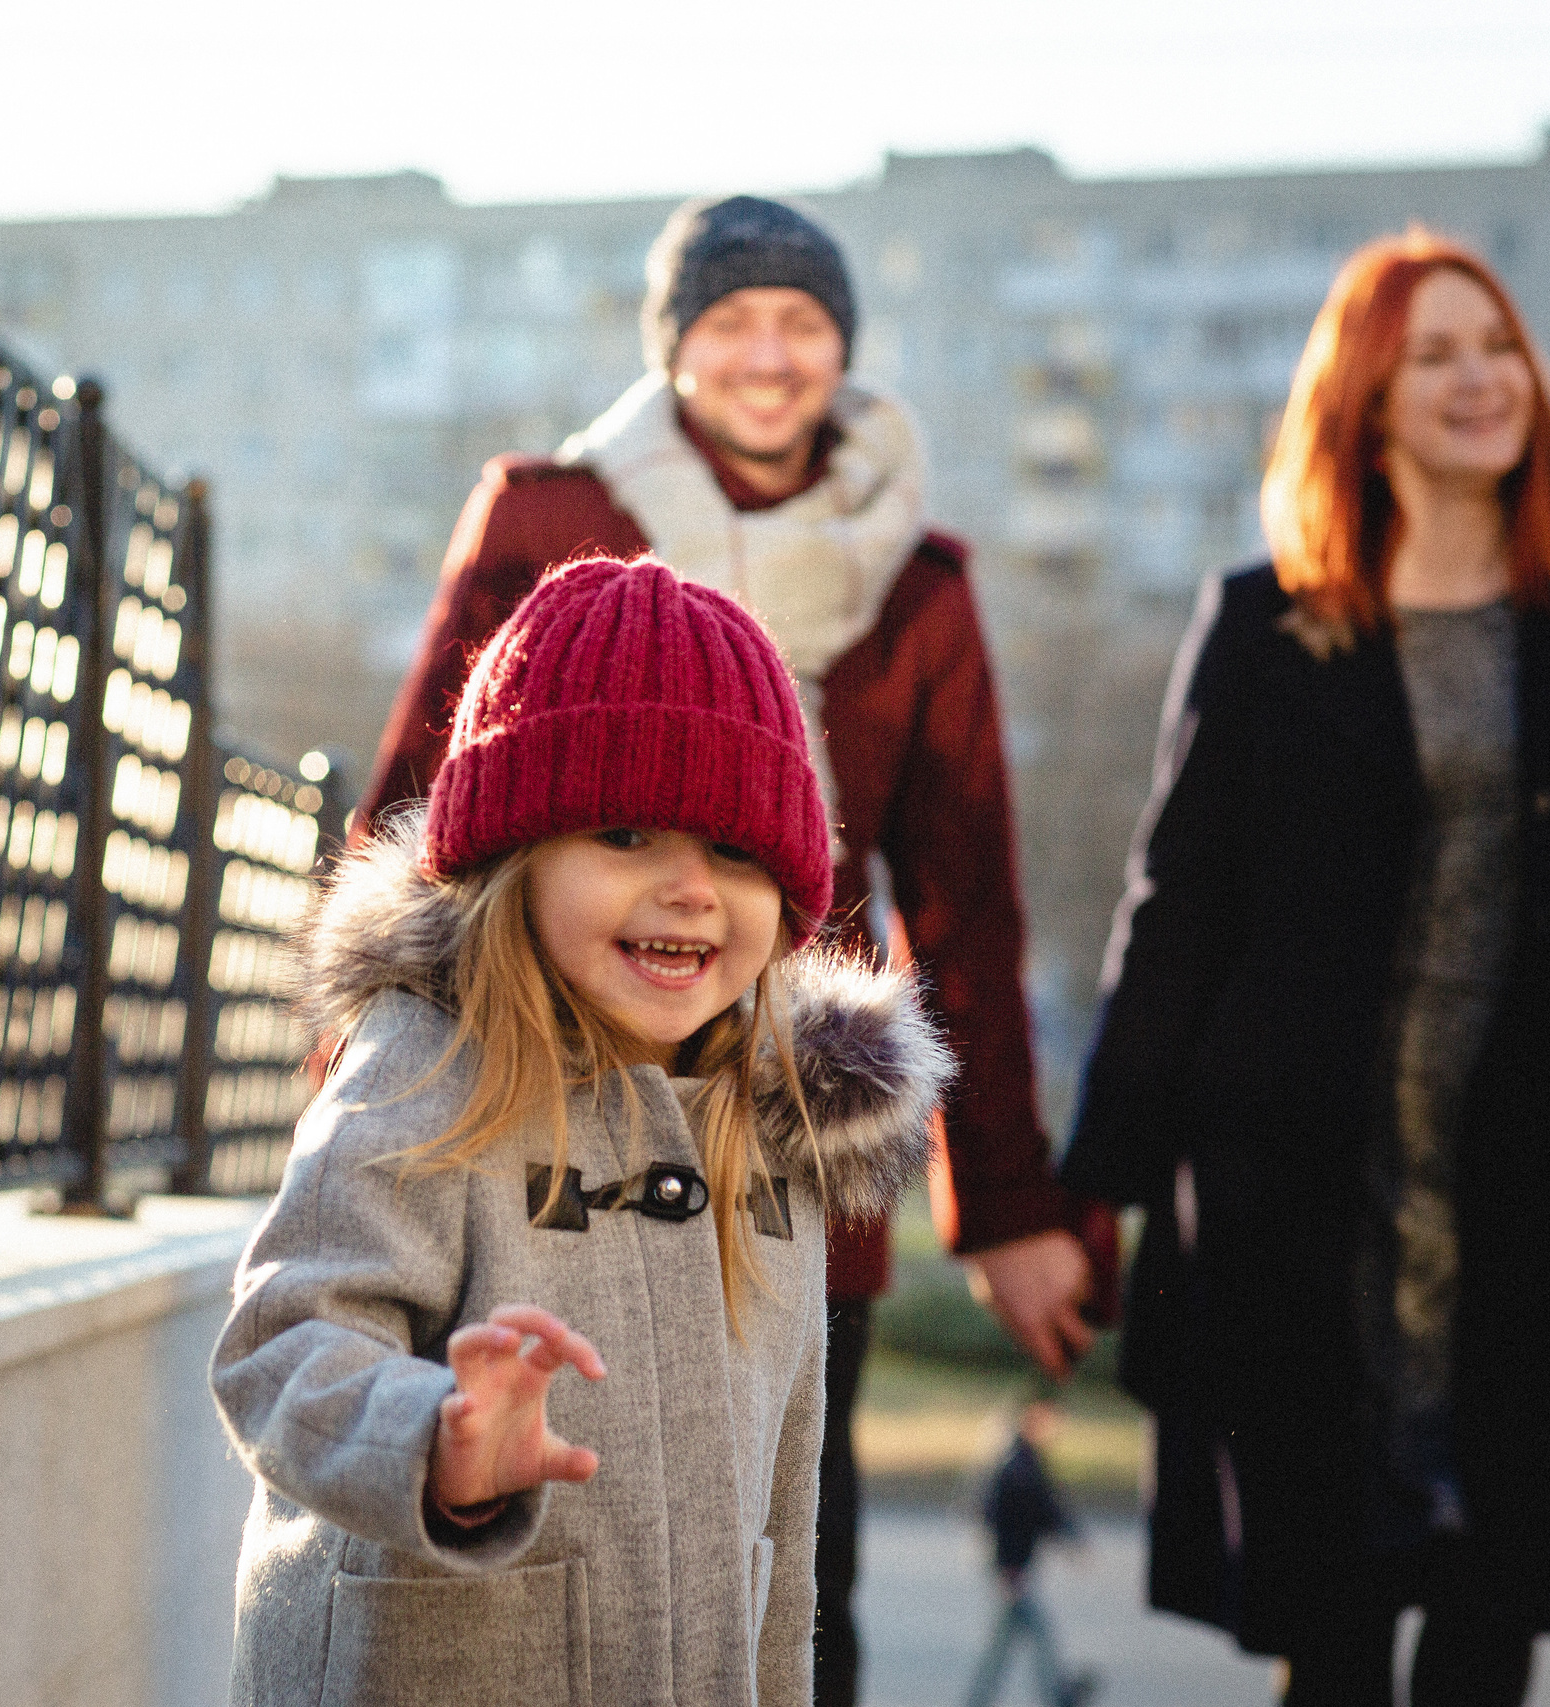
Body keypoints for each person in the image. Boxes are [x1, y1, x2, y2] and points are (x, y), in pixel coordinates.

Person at [355, 192, 1112, 1707]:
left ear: (844, 351)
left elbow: (966, 904)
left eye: (804, 324)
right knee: (539, 1522)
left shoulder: (922, 580)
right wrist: (372, 1083)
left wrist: (1008, 1202)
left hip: (790, 1121)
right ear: (675, 346)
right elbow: (421, 812)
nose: (769, 355)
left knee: (792, 1572)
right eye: (731, 323)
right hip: (538, 1101)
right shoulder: (549, 516)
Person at [1060, 228, 1550, 1707]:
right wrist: (1089, 1186)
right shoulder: (1263, 621)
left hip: (1530, 1197)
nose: (1481, 378)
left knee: (1491, 1626)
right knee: (1332, 1633)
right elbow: (1177, 907)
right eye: (1436, 353)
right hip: (1293, 1201)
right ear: (1363, 395)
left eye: (1498, 348)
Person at [214, 557, 950, 1706]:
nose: (690, 889)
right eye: (625, 835)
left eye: (735, 852)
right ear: (516, 856)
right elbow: (282, 1344)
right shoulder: (428, 1070)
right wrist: (434, 1441)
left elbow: (786, 1520)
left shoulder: (778, 1134)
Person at [963, 1404, 1099, 1707]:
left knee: (1005, 1644)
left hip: (1013, 1567)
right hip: (1012, 1568)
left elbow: (1047, 1508)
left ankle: (983, 1699)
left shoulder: (1026, 1460)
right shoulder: (1018, 1468)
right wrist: (1009, 1568)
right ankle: (1058, 1695)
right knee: (1036, 1633)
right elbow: (1022, 1517)